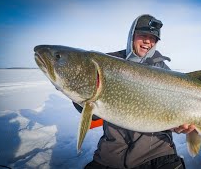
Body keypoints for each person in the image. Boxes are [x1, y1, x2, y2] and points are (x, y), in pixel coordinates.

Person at [73, 14, 187, 169]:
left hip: (157, 154)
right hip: (110, 155)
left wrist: (183, 125)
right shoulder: (108, 62)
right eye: (143, 35)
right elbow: (91, 116)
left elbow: (178, 113)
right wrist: (77, 93)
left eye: (153, 38)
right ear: (131, 36)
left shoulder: (165, 73)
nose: (148, 41)